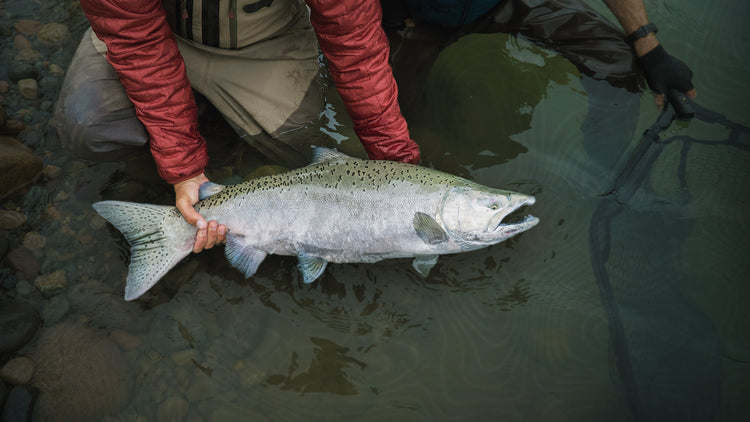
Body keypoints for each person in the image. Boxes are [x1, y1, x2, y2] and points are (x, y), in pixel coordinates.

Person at [54, 0, 419, 254]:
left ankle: (211, 134)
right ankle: (191, 155)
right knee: (86, 125)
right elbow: (138, 45)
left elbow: (354, 42)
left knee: (303, 147)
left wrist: (396, 163)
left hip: (266, 43)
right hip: (153, 38)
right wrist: (184, 170)